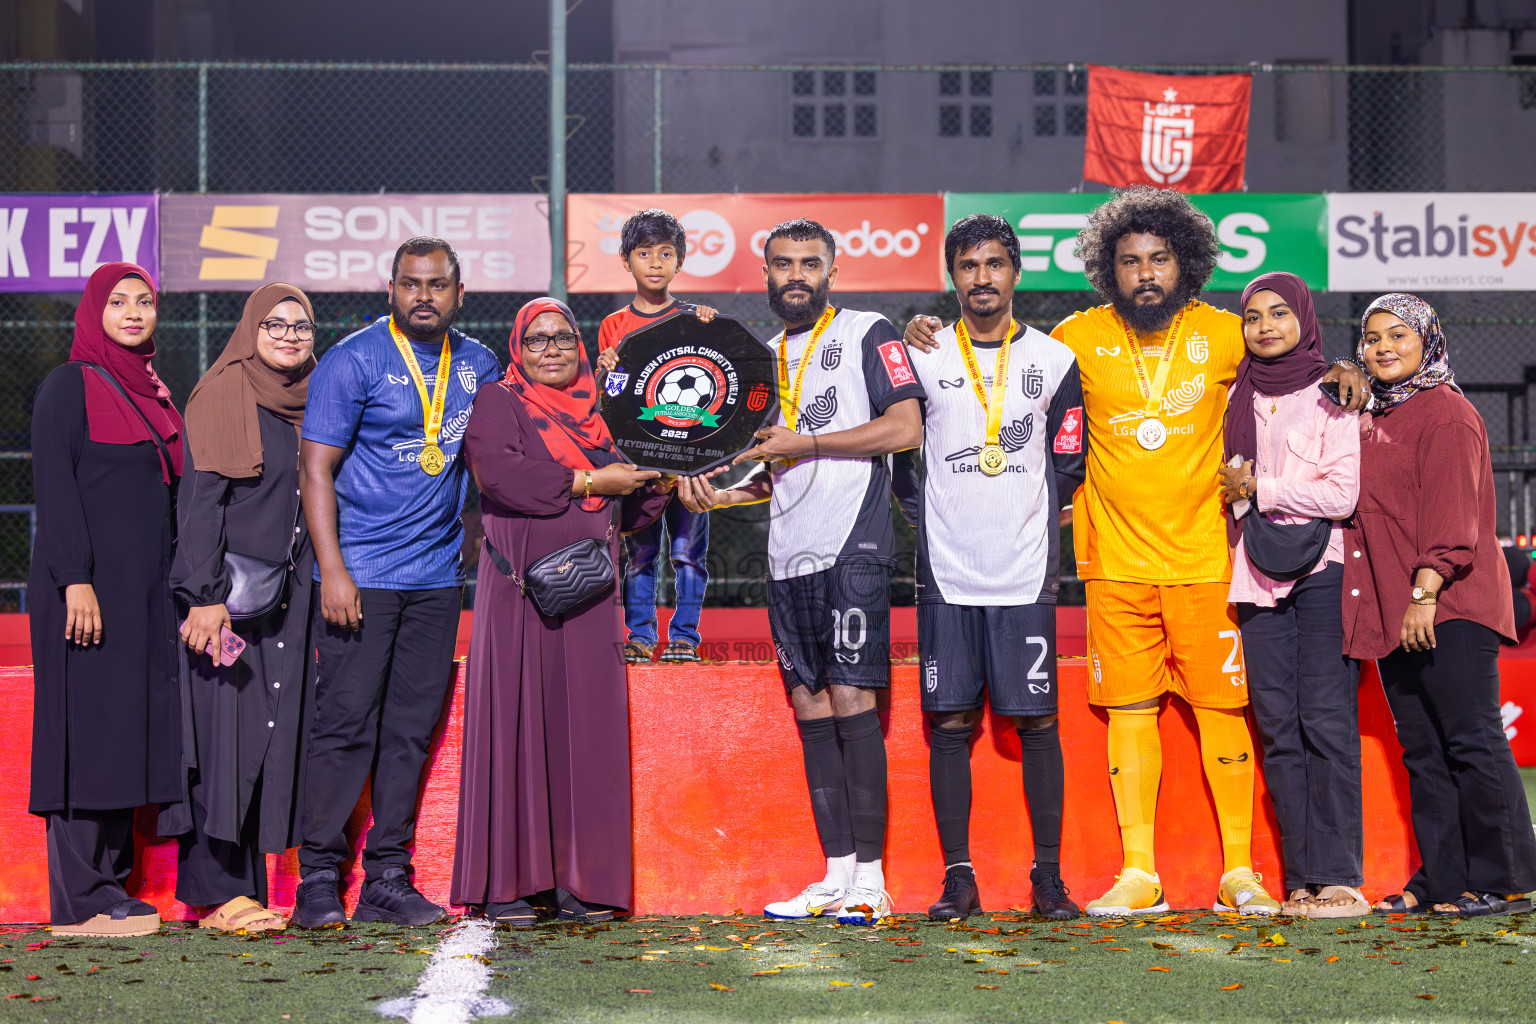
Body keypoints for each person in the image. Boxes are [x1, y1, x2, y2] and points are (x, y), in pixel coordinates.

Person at [906, 187, 1368, 917]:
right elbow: (998, 363)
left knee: (1223, 710)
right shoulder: (1073, 342)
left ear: (1185, 263)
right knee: (1130, 709)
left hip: (1209, 556)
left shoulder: (1225, 332)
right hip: (1114, 560)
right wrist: (922, 328)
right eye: (1129, 261)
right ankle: (1139, 872)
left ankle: (1240, 871)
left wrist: (1349, 369)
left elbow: (1291, 353)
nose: (1145, 273)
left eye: (1159, 259)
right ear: (1106, 269)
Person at [677, 219, 925, 926]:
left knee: (852, 701)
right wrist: (722, 494)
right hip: (787, 557)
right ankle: (836, 875)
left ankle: (873, 881)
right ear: (766, 274)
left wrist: (806, 439)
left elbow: (904, 428)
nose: (796, 275)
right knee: (811, 707)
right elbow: (776, 470)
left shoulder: (869, 331)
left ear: (832, 272)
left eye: (809, 263)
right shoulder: (763, 359)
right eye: (782, 263)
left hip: (854, 549)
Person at [292, 237, 501, 928]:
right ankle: (318, 879)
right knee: (344, 726)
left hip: (437, 581)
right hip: (362, 577)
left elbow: (487, 459)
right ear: (390, 289)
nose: (423, 295)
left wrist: (471, 525)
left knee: (410, 732)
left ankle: (388, 877)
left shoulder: (479, 363)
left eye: (437, 284)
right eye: (410, 284)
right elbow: (315, 469)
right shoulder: (352, 360)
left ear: (458, 293)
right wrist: (334, 571)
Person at [452, 298, 671, 926]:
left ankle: (587, 881)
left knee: (589, 731)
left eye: (563, 339)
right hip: (519, 590)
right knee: (515, 721)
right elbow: (500, 475)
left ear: (580, 347)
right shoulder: (500, 401)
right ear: (517, 349)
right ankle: (506, 884)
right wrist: (590, 483)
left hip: (592, 592)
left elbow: (630, 509)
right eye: (536, 340)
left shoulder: (605, 414)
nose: (550, 349)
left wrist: (659, 481)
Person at [894, 215, 1086, 921]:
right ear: (953, 276)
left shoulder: (1054, 361)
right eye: (969, 265)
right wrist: (937, 514)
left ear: (1015, 272)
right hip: (946, 571)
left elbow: (1070, 460)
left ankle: (1049, 879)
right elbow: (900, 458)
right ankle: (958, 880)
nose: (983, 277)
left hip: (1024, 570)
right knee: (949, 724)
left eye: (995, 264)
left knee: (1038, 725)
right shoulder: (921, 353)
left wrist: (1023, 513)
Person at [1347, 292, 1536, 917]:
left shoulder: (1446, 413)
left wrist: (1425, 593)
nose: (1383, 347)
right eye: (1372, 337)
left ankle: (1507, 881)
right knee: (1424, 750)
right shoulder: (1374, 415)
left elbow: (1454, 520)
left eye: (1399, 335)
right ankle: (1445, 879)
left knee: (1472, 738)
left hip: (1448, 604)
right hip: (1396, 611)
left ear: (1426, 340)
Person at [157, 283, 319, 933]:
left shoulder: (311, 403)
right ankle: (214, 893)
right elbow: (200, 506)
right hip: (228, 601)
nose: (287, 335)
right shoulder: (224, 393)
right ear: (250, 328)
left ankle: (242, 891)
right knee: (219, 741)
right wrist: (203, 599)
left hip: (289, 597)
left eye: (300, 325)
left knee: (261, 739)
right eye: (273, 323)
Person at [28, 262, 184, 937]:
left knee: (125, 732)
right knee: (84, 731)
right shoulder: (68, 386)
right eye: (117, 302)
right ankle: (80, 900)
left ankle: (112, 885)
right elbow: (55, 487)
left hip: (147, 594)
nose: (132, 312)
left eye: (143, 301)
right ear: (94, 312)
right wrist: (74, 578)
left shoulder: (152, 391)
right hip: (86, 590)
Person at [1217, 273, 1366, 918]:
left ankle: (1340, 878)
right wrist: (1247, 498)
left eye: (1281, 312)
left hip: (1323, 570)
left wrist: (1261, 491)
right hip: (1255, 574)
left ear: (1304, 317)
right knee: (1278, 726)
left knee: (1326, 720)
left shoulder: (1334, 396)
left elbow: (1342, 496)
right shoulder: (1235, 399)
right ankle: (1302, 880)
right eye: (1253, 317)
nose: (1267, 325)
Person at [593, 210, 718, 664]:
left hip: (688, 459)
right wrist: (604, 372)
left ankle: (685, 637)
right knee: (640, 554)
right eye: (644, 253)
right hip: (639, 460)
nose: (655, 262)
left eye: (666, 253)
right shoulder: (613, 324)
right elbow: (611, 396)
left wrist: (712, 328)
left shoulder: (696, 317)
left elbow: (718, 377)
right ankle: (641, 636)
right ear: (626, 261)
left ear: (680, 261)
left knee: (688, 554)